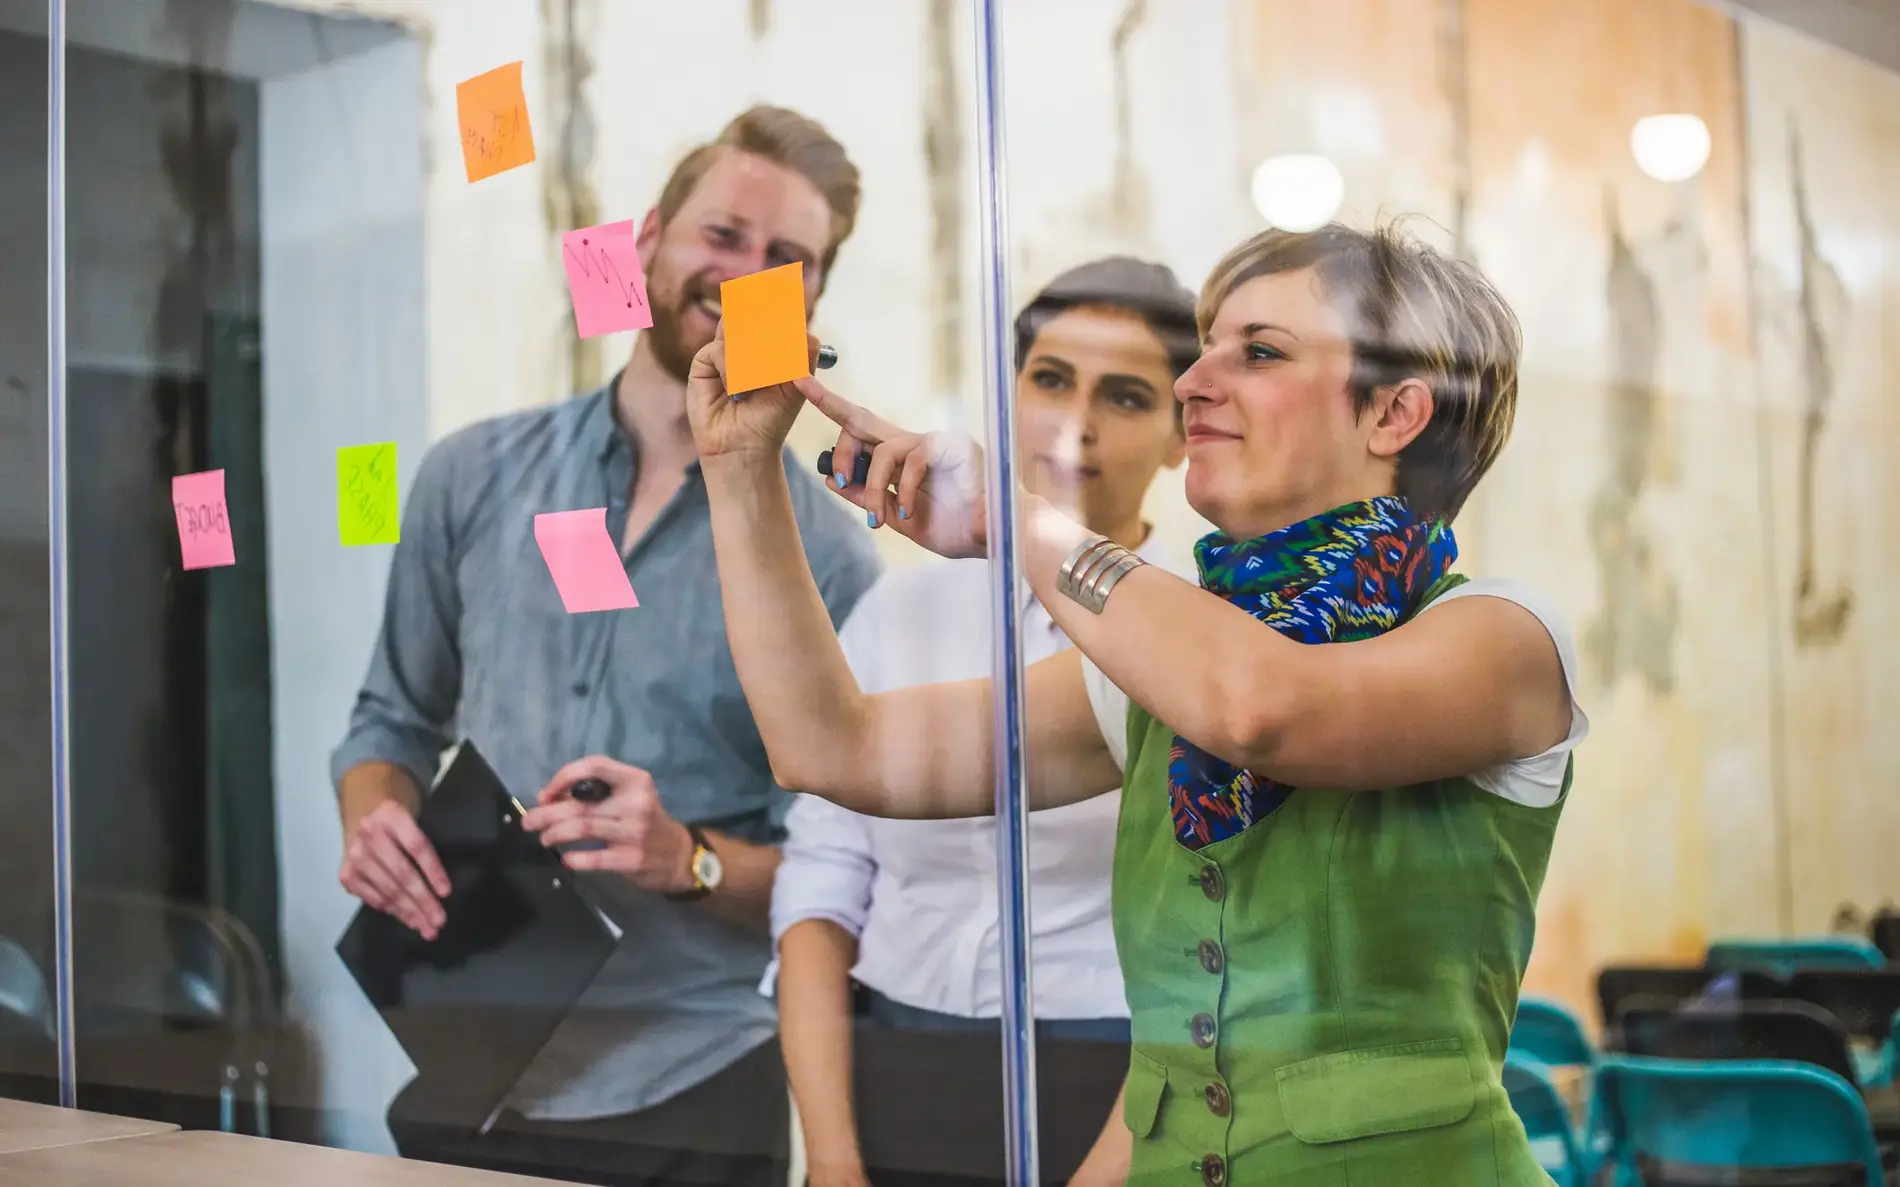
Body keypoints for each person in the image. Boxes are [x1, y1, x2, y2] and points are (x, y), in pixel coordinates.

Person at [686, 222, 1589, 1184]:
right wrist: (742, 470)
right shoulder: (1151, 665)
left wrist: (1013, 514)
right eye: (1203, 351)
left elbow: (1261, 709)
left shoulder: (1505, 638)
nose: (1194, 383)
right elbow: (833, 748)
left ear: (1395, 413)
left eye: (1259, 352)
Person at [329, 106, 881, 1187]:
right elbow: (389, 718)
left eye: (785, 259)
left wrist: (694, 859)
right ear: (646, 247)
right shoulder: (471, 475)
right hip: (458, 1046)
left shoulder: (830, 560)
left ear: (810, 299)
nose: (742, 273)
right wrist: (373, 813)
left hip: (690, 1087)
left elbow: (846, 876)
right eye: (720, 234)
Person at [772, 258, 1198, 1187]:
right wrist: (833, 1159)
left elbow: (1225, 952)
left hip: (1121, 1078)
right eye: (1050, 379)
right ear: (1010, 389)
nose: (1074, 424)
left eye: (1125, 397)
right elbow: (823, 881)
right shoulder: (901, 612)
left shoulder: (1199, 633)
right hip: (888, 1060)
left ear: (1180, 435)